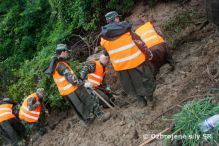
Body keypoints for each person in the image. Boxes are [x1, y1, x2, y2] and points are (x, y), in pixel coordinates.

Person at [99, 11, 156, 107]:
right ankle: (150, 99)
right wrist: (148, 54)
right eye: (118, 18)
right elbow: (140, 43)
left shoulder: (103, 38)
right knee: (145, 80)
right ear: (116, 18)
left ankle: (141, 101)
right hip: (136, 62)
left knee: (130, 85)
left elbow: (106, 52)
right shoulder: (126, 30)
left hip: (121, 67)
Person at [44, 44, 110, 123]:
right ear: (62, 52)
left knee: (79, 106)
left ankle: (87, 120)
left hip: (67, 92)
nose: (68, 53)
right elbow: (72, 80)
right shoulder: (61, 65)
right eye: (66, 52)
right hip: (74, 88)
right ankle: (101, 116)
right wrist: (82, 82)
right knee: (89, 100)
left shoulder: (55, 64)